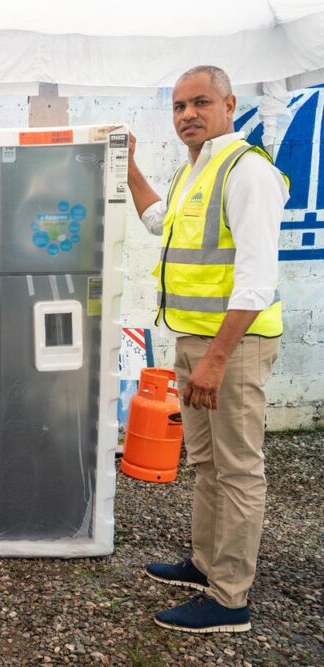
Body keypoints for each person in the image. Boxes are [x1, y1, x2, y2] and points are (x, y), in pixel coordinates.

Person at [127, 66, 288, 633]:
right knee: (206, 463)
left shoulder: (247, 172)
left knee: (238, 469)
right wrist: (129, 167)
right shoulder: (194, 171)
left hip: (233, 346)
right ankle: (204, 565)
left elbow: (256, 280)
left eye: (200, 102)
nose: (187, 114)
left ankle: (230, 599)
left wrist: (218, 360)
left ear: (229, 105)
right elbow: (158, 222)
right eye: (178, 106)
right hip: (195, 338)